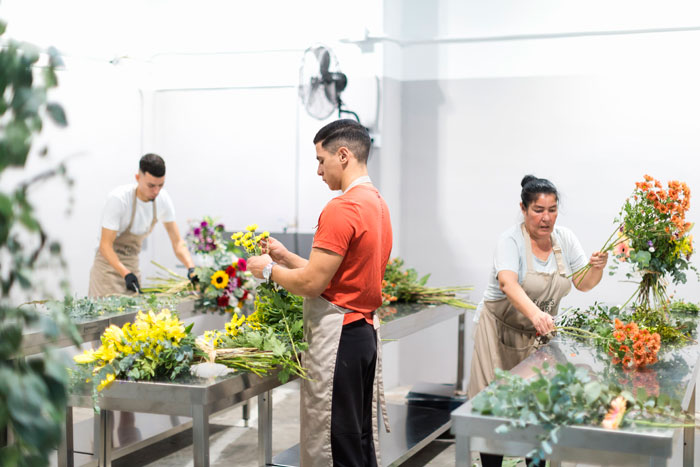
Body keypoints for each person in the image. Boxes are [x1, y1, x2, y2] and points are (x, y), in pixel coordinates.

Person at [248, 119, 392, 467]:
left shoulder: (341, 209)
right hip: (363, 336)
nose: (318, 170)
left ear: (343, 155)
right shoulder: (377, 205)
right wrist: (285, 257)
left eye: (320, 159)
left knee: (333, 444)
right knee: (356, 439)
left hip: (338, 339)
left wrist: (267, 270)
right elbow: (330, 274)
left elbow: (312, 285)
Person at [467, 175, 608, 467]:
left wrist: (597, 268)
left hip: (538, 337)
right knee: (493, 410)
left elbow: (583, 283)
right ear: (523, 208)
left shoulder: (564, 240)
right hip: (499, 334)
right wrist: (537, 315)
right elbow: (508, 284)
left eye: (552, 210)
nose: (546, 218)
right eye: (538, 210)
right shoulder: (510, 240)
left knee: (540, 407)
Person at [88, 153, 195, 297]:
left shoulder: (163, 200)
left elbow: (177, 242)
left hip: (132, 266)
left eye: (160, 185)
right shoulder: (119, 199)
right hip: (107, 269)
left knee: (134, 318)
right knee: (107, 317)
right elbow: (105, 246)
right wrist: (125, 274)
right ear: (138, 178)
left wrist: (191, 268)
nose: (156, 191)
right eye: (151, 185)